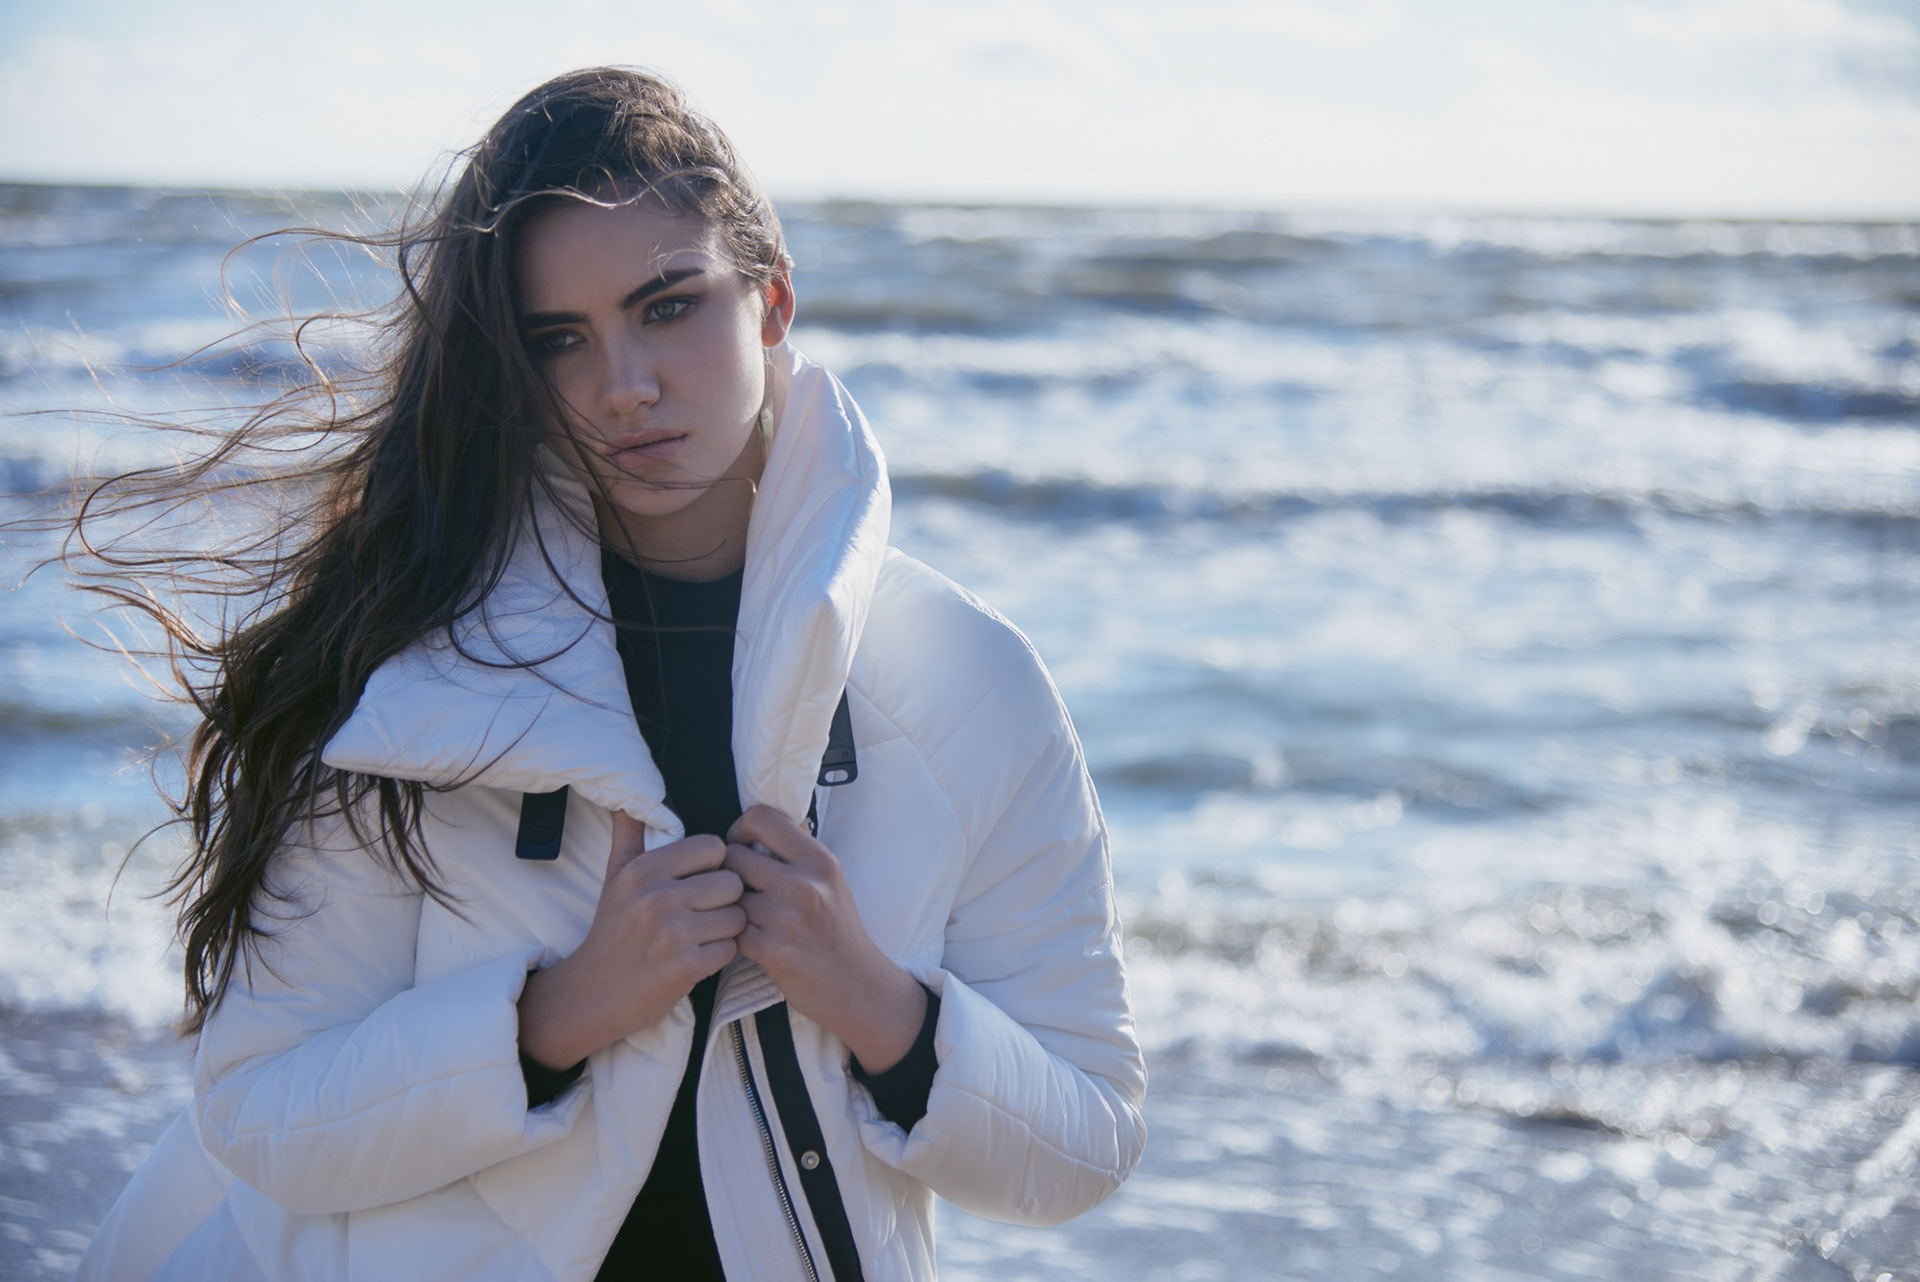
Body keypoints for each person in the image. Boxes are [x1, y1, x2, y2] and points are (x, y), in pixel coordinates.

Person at [73, 66, 1144, 1280]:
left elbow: (1090, 1135)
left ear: (773, 301)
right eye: (559, 340)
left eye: (668, 307)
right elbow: (261, 1109)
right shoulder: (418, 660)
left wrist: (873, 1000)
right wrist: (557, 1015)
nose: (623, 386)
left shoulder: (965, 680)